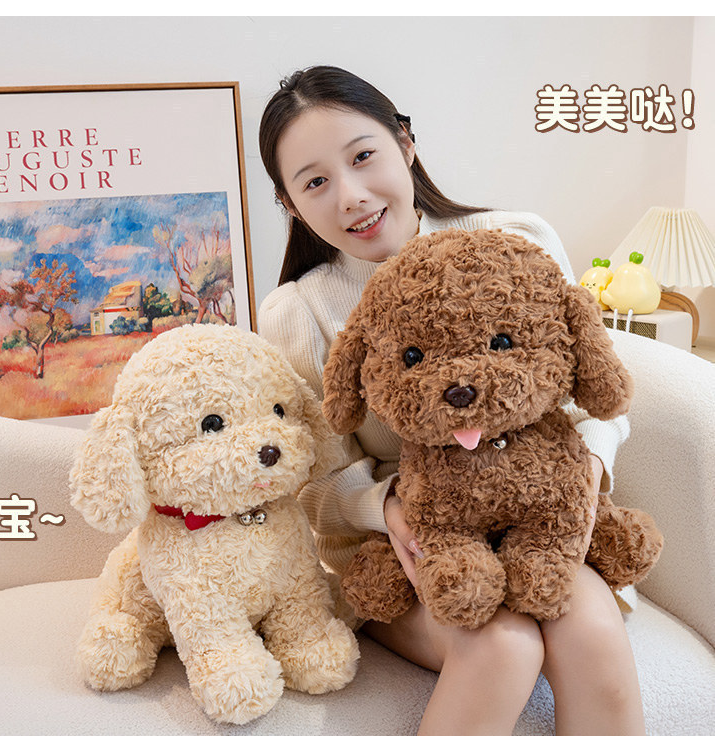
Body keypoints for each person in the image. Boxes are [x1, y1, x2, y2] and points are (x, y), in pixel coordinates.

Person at [257, 65, 644, 736]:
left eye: (362, 157)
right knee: (501, 645)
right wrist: (389, 509)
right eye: (314, 182)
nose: (351, 196)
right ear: (289, 203)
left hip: (539, 515)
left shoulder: (518, 238)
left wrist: (585, 470)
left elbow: (593, 391)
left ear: (405, 143)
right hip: (410, 550)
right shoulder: (299, 311)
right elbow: (316, 478)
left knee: (590, 632)